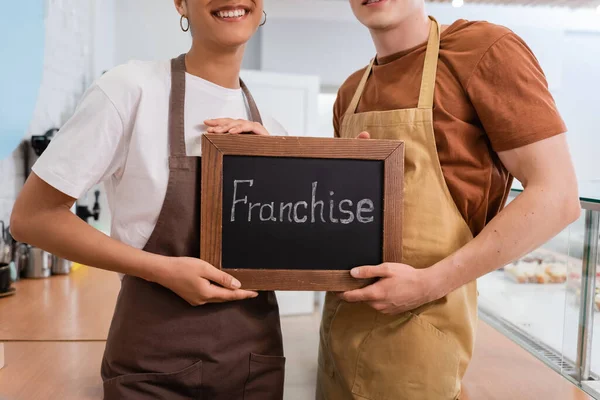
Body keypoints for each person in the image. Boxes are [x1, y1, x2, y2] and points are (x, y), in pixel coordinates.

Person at [10, 1, 288, 399]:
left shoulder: (272, 126)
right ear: (180, 3)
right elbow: (32, 217)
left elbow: (289, 255)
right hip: (154, 371)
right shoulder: (130, 89)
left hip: (253, 366)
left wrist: (314, 177)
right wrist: (161, 269)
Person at [316, 1, 580, 399]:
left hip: (419, 337)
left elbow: (557, 196)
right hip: (338, 333)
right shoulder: (351, 91)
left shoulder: (484, 52)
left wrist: (426, 284)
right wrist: (267, 156)